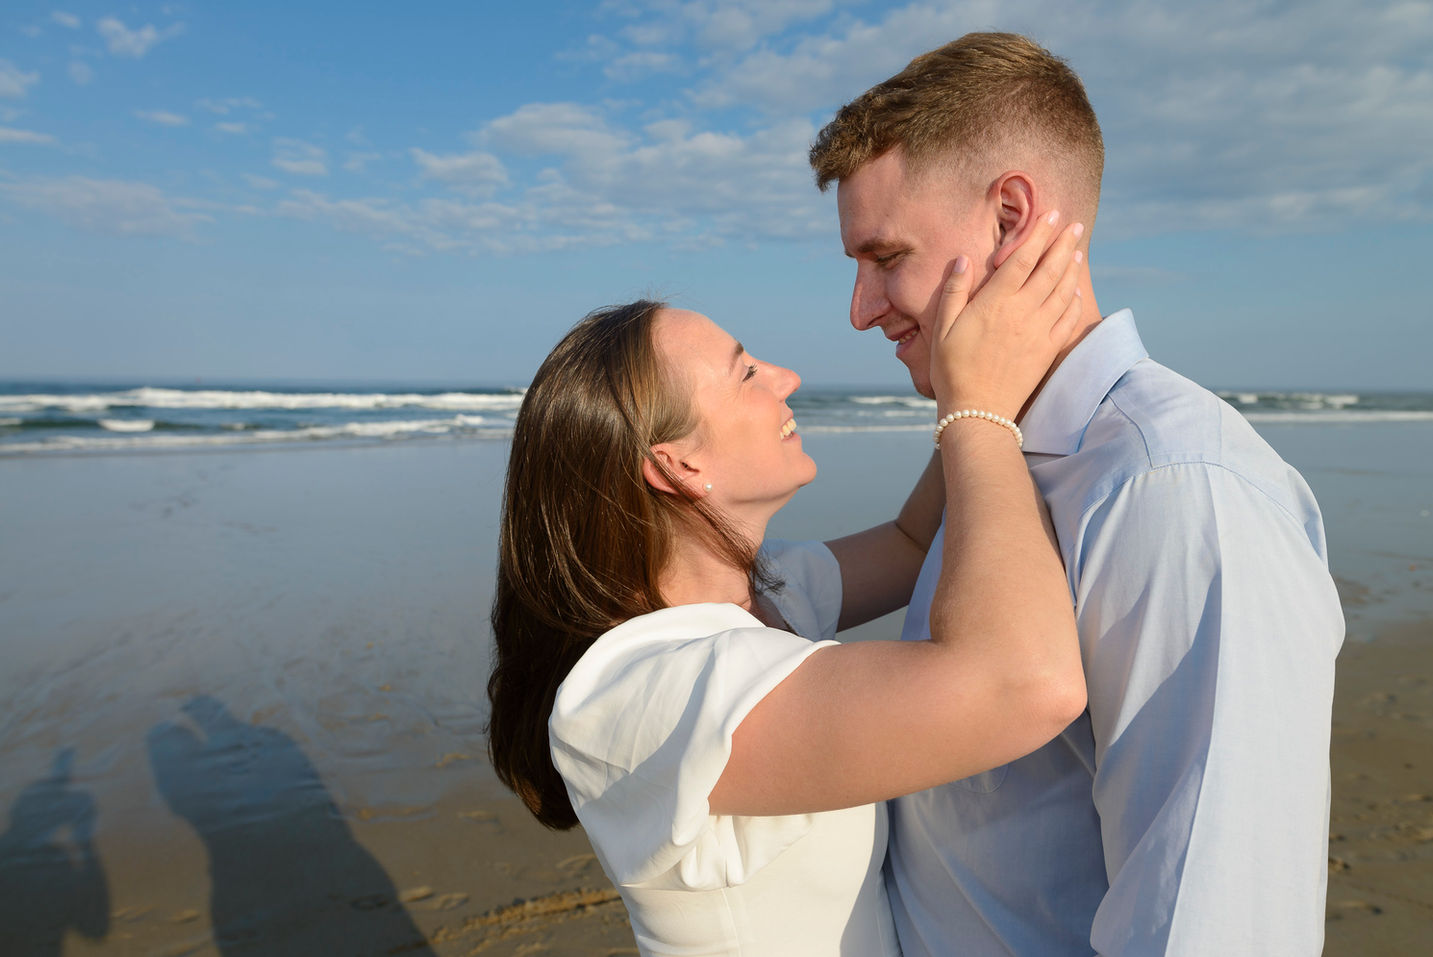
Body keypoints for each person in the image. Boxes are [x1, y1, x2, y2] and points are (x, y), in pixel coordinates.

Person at [810, 31, 1346, 956]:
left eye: (884, 254)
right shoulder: (989, 449)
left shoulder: (1176, 491)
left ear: (1010, 219)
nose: (860, 307)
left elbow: (1210, 925)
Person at [486, 213, 1088, 955]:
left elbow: (909, 542)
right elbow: (1026, 683)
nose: (786, 377)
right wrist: (981, 413)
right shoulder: (644, 695)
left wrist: (985, 371)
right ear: (677, 465)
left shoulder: (765, 593)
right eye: (745, 372)